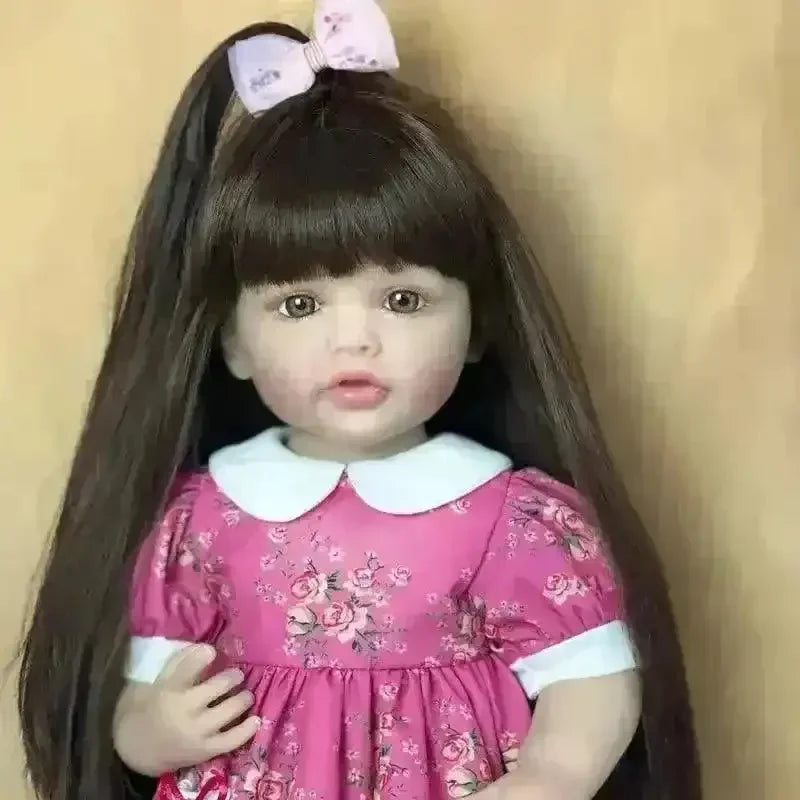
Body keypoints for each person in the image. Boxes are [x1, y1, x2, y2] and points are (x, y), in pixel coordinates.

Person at [17, 1, 701, 799]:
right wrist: (149, 730)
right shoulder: (204, 519)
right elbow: (147, 686)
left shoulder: (506, 518)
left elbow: (591, 673)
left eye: (403, 301)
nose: (355, 341)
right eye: (299, 305)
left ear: (478, 326)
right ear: (231, 342)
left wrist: (552, 775)